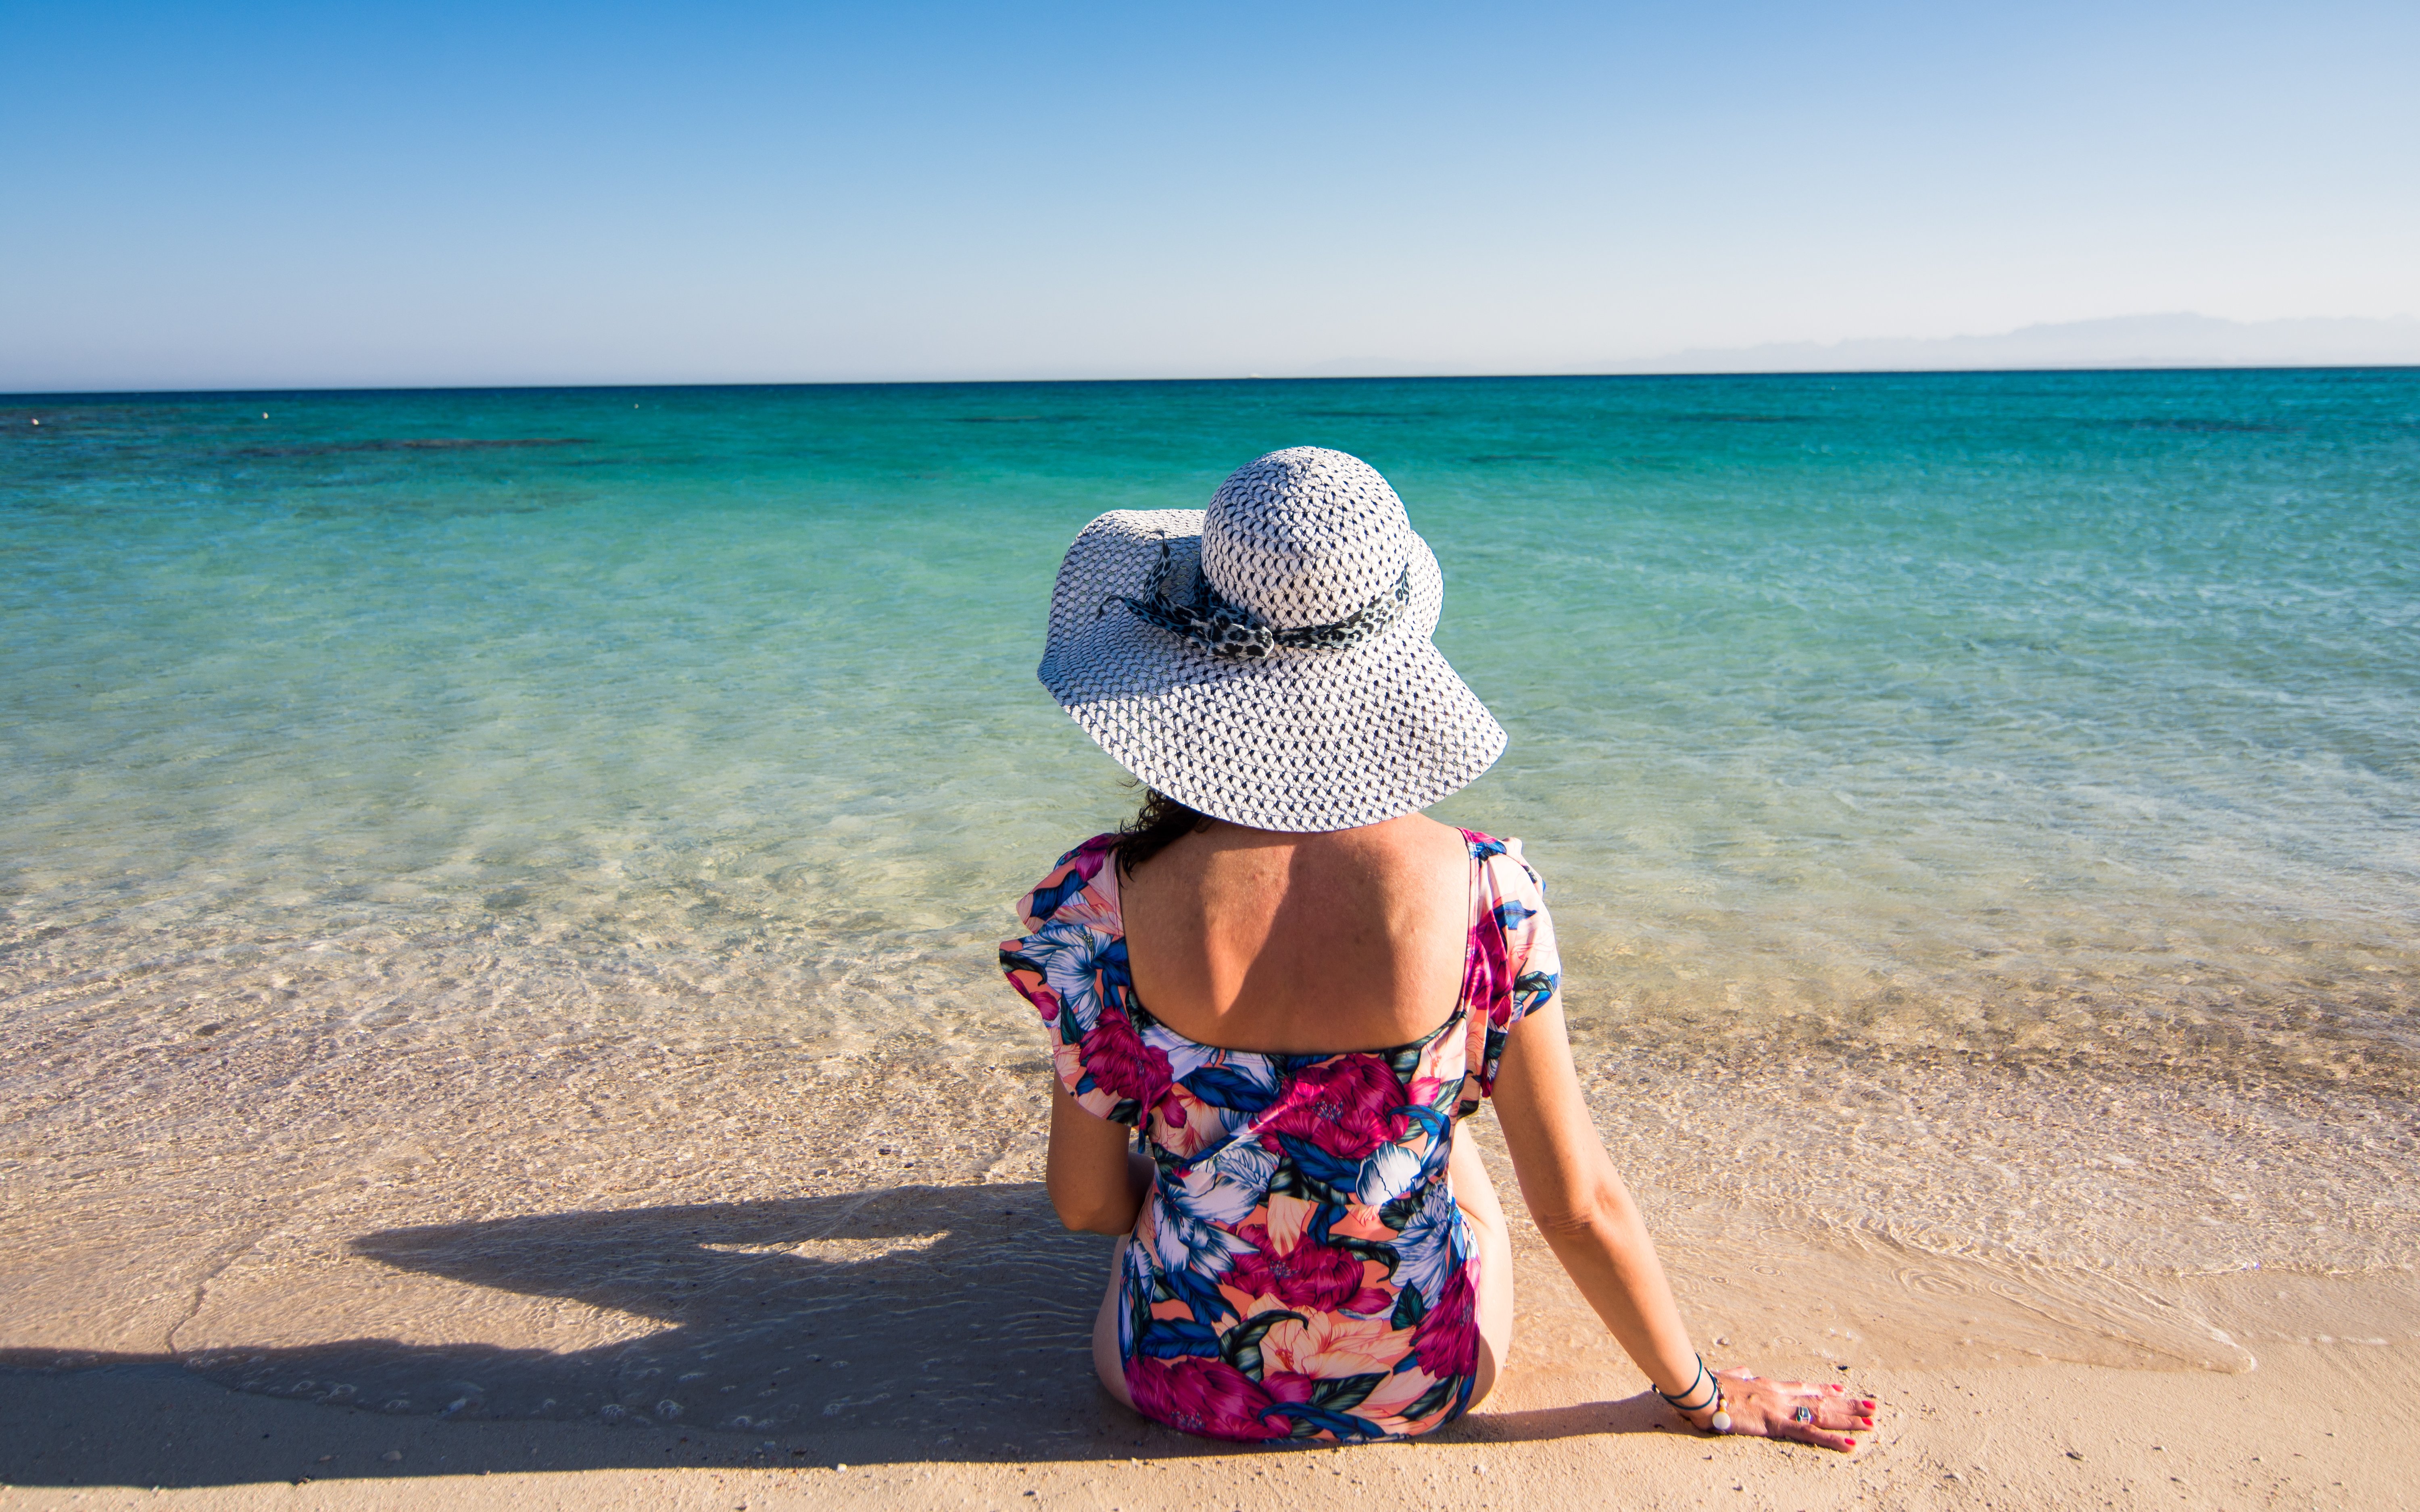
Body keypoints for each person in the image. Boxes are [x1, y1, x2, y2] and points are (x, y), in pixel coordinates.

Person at [999, 447, 1879, 1448]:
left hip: (1169, 1384)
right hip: (1422, 1384)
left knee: (1182, 1198)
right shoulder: (1488, 895)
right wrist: (1703, 1397)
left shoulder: (1099, 902)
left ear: (1182, 665)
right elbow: (1581, 1208)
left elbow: (1081, 1205)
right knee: (1449, 1136)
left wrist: (1206, 1191)